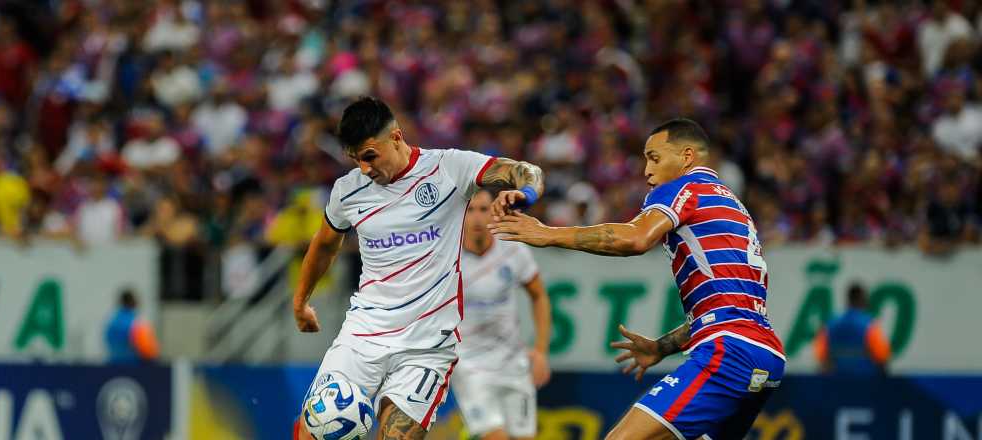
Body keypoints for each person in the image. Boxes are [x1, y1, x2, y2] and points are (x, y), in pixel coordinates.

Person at [489, 119, 785, 440]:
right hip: (766, 354)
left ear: (686, 157)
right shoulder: (733, 206)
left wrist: (548, 234)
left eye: (654, 158)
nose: (647, 171)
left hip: (729, 351)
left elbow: (636, 238)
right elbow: (730, 307)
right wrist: (663, 347)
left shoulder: (683, 188)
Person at [293, 96, 545, 440]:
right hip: (361, 336)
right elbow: (324, 244)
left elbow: (526, 171)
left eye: (370, 156)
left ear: (396, 137)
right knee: (310, 433)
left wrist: (526, 193)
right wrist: (301, 301)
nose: (364, 169)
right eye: (355, 159)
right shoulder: (348, 191)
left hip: (426, 349)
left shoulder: (449, 168)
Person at [450, 190, 552, 440]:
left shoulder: (513, 250)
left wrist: (540, 350)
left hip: (513, 361)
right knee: (496, 436)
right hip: (470, 364)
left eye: (483, 209)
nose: (476, 217)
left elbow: (539, 296)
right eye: (470, 210)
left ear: (494, 212)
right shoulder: (447, 256)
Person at [814, 283, 891, 375]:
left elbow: (821, 356)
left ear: (848, 300)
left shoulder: (831, 325)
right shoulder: (869, 325)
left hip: (837, 380)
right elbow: (882, 356)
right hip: (864, 380)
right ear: (863, 300)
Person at [104, 288, 160, 363]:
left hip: (114, 364)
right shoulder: (136, 324)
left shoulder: (112, 323)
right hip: (135, 365)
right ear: (133, 302)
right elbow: (147, 350)